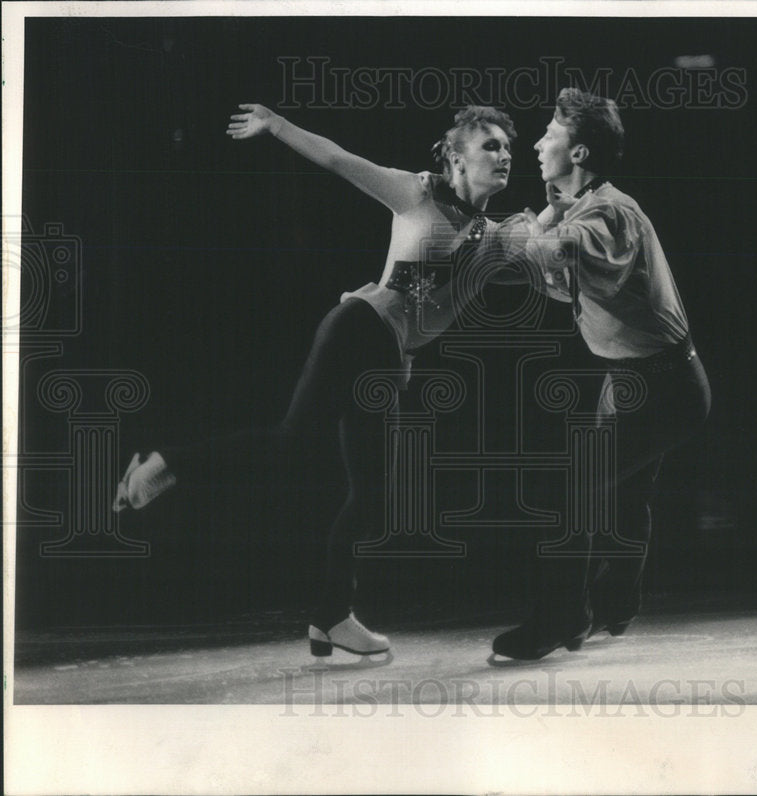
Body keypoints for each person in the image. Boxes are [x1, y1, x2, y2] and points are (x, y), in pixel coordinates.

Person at [114, 102, 517, 658]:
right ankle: (167, 463)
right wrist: (276, 124)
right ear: (455, 156)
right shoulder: (416, 192)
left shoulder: (492, 235)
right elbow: (337, 158)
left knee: (370, 493)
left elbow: (540, 254)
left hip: (388, 354)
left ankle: (331, 617)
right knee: (292, 444)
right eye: (490, 145)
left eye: (508, 148)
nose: (503, 156)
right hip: (360, 328)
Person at [493, 88, 711, 660]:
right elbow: (550, 268)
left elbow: (554, 253)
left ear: (581, 153)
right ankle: (615, 602)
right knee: (621, 492)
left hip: (665, 388)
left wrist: (513, 229)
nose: (538, 145)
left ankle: (560, 617)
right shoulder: (579, 205)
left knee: (574, 492)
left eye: (549, 135)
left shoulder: (607, 213)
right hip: (631, 381)